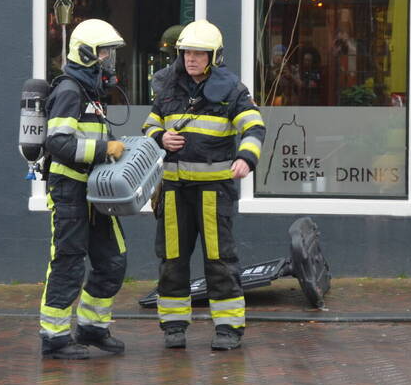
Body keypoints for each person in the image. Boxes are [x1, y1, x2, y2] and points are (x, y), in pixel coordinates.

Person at [143, 20, 265, 351]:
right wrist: (160, 137)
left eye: (199, 53)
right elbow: (150, 125)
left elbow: (254, 127)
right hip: (174, 191)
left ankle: (228, 328)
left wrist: (246, 159)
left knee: (219, 259)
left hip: (214, 192)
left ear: (214, 57)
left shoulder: (232, 91)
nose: (192, 59)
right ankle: (173, 326)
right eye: (187, 53)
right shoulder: (168, 87)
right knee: (172, 259)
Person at [39, 18, 128, 360]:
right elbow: (58, 141)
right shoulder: (69, 91)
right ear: (87, 53)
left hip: (96, 193)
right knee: (68, 262)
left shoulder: (91, 93)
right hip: (69, 192)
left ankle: (92, 327)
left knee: (113, 261)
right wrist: (104, 150)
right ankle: (55, 337)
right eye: (104, 52)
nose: (108, 59)